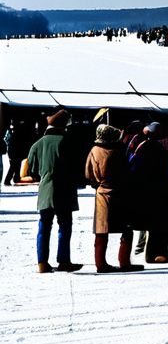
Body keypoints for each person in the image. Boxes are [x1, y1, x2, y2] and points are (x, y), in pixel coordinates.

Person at [27, 109, 83, 273]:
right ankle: (64, 261)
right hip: (64, 191)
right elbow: (76, 167)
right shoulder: (68, 142)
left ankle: (42, 262)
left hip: (45, 192)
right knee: (64, 227)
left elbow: (32, 170)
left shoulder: (38, 144)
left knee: (44, 228)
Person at [85, 124, 143, 273]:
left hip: (101, 194)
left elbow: (88, 174)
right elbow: (126, 173)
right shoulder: (116, 153)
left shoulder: (94, 150)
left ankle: (100, 263)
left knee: (101, 230)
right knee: (127, 227)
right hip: (119, 193)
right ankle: (124, 262)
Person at [128, 122, 168, 263]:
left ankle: (153, 253)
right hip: (159, 191)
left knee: (152, 224)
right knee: (159, 224)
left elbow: (134, 168)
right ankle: (158, 253)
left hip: (147, 191)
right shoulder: (159, 150)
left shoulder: (142, 147)